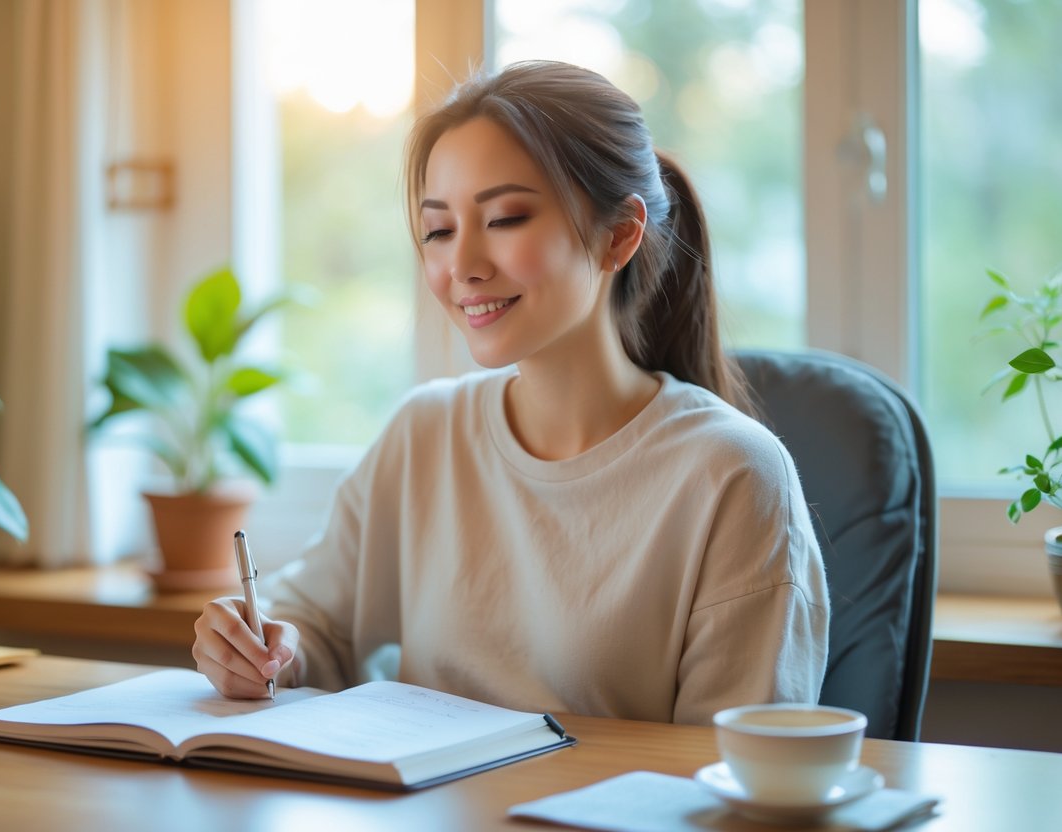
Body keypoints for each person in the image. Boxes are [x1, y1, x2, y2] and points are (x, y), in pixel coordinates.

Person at [193, 60, 829, 725]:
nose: (461, 266)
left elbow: (736, 768)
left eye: (504, 218)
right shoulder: (426, 431)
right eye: (438, 229)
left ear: (619, 235)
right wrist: (261, 649)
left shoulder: (731, 475)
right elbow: (313, 623)